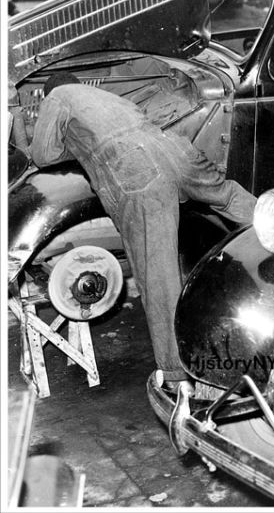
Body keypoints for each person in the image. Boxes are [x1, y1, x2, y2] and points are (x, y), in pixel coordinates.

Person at [29, 73, 258, 393]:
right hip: (176, 152)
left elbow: (43, 155)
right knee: (230, 198)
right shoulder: (109, 97)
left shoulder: (57, 97)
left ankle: (178, 376)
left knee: (158, 275)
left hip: (137, 172)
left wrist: (76, 150)